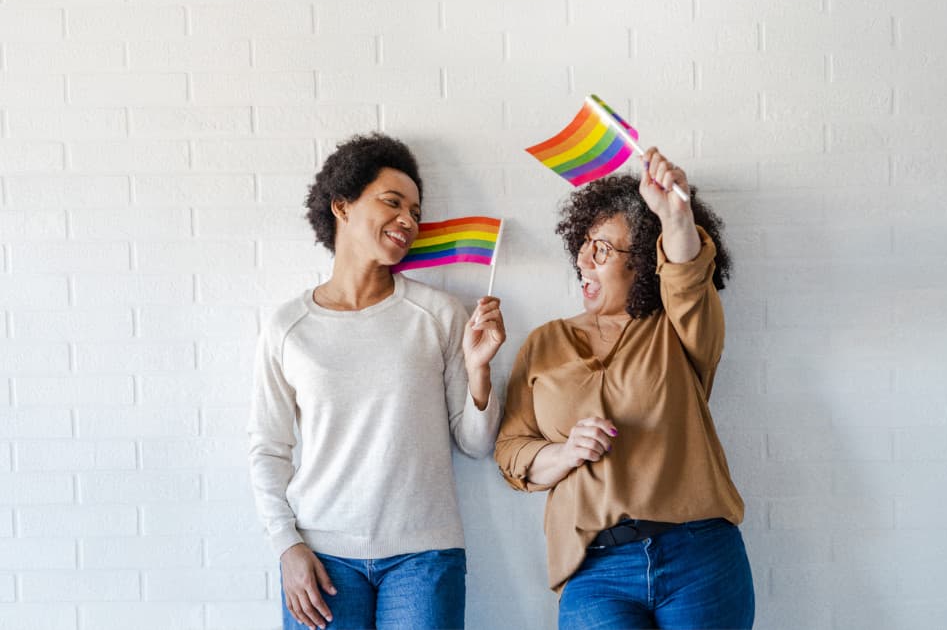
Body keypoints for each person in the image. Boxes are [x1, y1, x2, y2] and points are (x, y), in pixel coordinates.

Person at [249, 133, 507, 630]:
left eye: (415, 210)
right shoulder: (288, 328)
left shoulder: (437, 314)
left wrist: (479, 368)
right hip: (321, 558)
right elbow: (267, 449)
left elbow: (476, 444)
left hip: (425, 556)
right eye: (392, 203)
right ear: (341, 206)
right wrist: (287, 547)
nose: (408, 220)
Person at [495, 149, 753, 629]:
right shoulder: (544, 342)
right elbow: (512, 450)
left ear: (642, 265)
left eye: (605, 249)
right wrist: (566, 453)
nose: (584, 259)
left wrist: (675, 218)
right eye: (585, 243)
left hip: (700, 555)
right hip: (595, 568)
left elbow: (689, 280)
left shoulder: (676, 329)